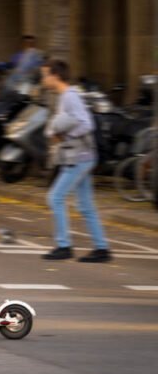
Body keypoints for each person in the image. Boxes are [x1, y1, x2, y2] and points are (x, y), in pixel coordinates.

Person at [41, 59, 111, 263]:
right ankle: (102, 249)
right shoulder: (66, 96)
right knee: (86, 205)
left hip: (79, 158)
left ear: (55, 75)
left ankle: (64, 246)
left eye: (45, 75)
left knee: (55, 197)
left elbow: (87, 124)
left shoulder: (70, 96)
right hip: (81, 157)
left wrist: (65, 136)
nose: (43, 79)